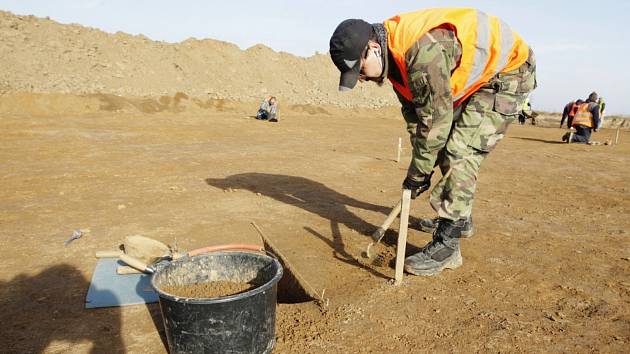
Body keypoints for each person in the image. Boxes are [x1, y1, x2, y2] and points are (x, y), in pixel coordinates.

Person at [330, 8, 536, 276]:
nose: (362, 79)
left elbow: (435, 123)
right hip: (478, 79)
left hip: (509, 72)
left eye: (360, 70)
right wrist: (420, 172)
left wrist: (417, 174)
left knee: (460, 150)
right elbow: (418, 123)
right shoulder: (394, 64)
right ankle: (460, 218)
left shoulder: (418, 53)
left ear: (373, 48)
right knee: (441, 146)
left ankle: (448, 245)